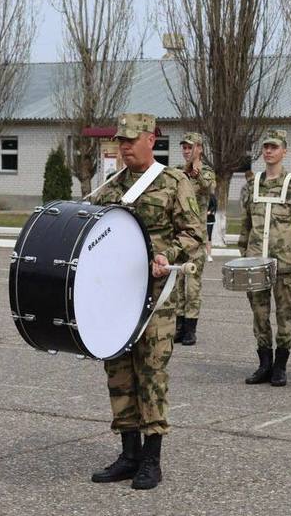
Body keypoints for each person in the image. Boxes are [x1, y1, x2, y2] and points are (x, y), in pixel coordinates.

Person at [90, 113, 204, 490]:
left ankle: (152, 460)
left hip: (156, 297)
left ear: (151, 140)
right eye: (120, 139)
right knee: (119, 372)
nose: (123, 146)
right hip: (116, 297)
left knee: (151, 374)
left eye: (131, 139)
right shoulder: (109, 186)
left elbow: (195, 236)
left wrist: (167, 255)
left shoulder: (173, 182)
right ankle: (129, 454)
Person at [238, 130, 291, 386]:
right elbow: (246, 225)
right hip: (256, 264)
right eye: (266, 147)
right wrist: (243, 255)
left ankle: (280, 367)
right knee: (259, 316)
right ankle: (264, 364)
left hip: (284, 265)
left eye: (274, 147)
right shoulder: (252, 184)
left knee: (284, 315)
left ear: (284, 151)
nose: (269, 151)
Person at [174, 132, 216, 346]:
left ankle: (191, 328)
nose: (186, 151)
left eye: (190, 147)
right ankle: (179, 326)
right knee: (178, 282)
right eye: (184, 147)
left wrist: (196, 174)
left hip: (196, 236)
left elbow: (209, 188)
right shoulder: (177, 172)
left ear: (199, 148)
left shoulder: (206, 172)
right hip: (178, 235)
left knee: (192, 285)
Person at [206, 193, 217, 262]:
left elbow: (215, 206)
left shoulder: (212, 196)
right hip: (199, 219)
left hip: (209, 219)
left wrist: (209, 212)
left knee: (208, 237)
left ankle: (209, 255)